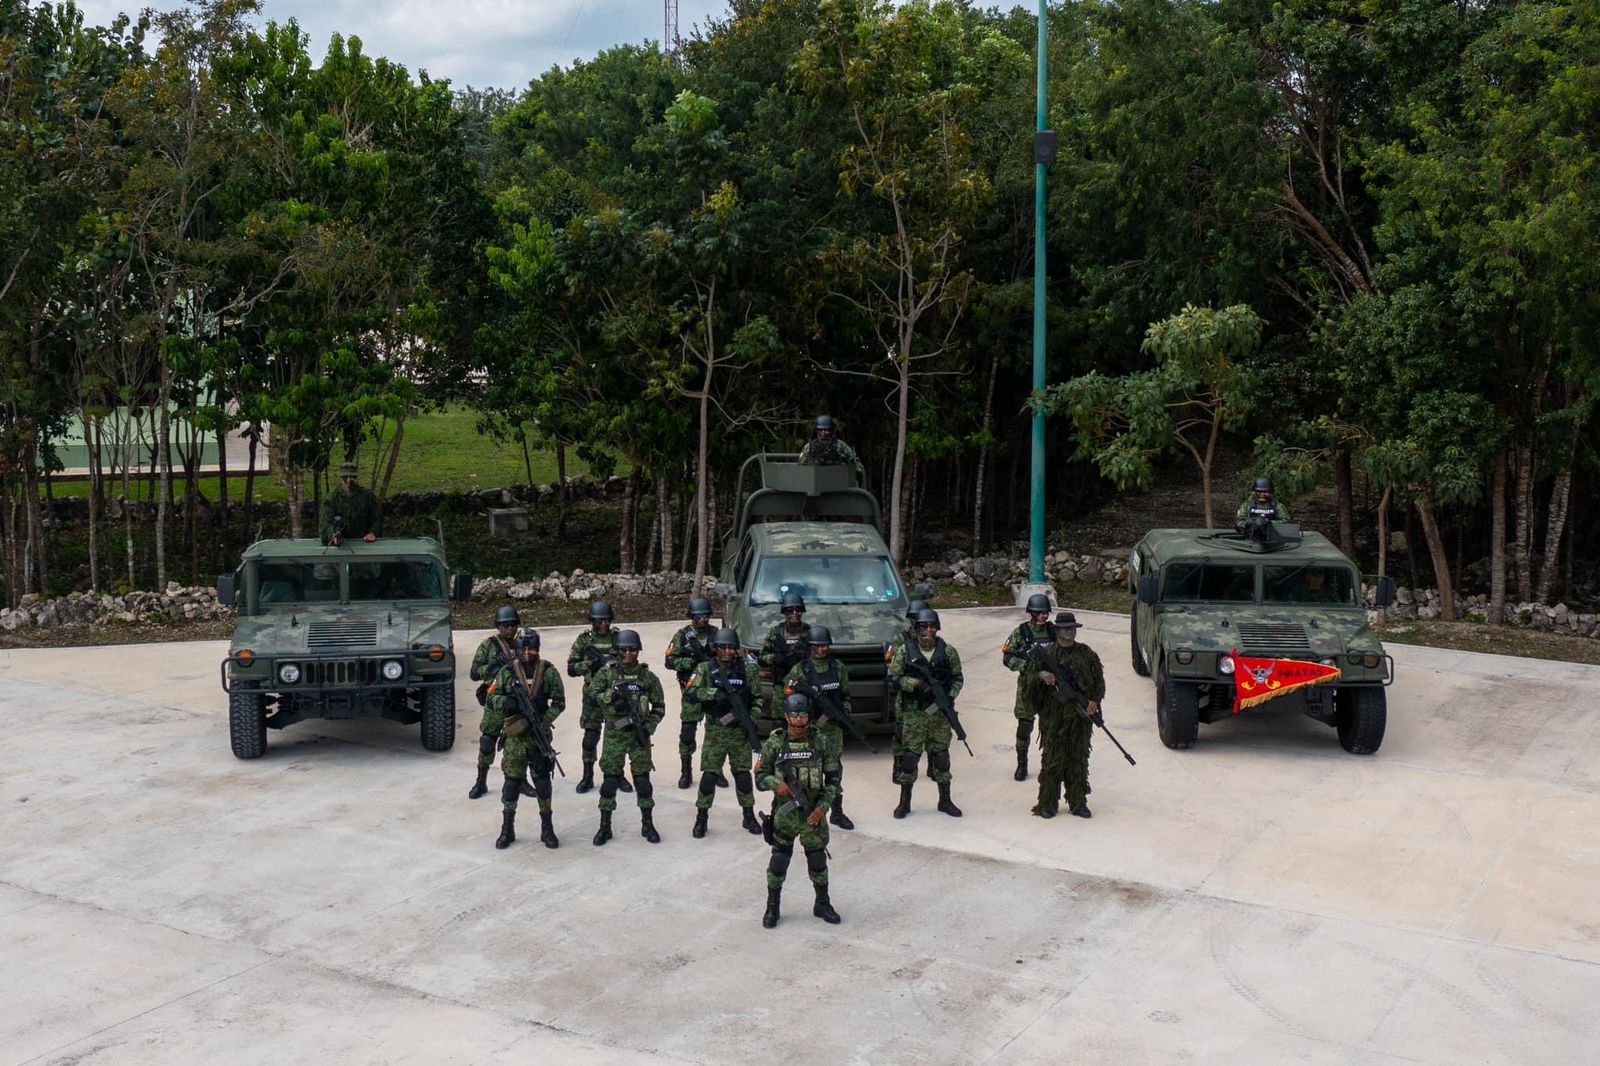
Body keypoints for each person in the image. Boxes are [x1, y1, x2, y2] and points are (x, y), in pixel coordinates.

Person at [756, 693, 843, 928]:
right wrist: (776, 784)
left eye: (803, 714)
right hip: (785, 815)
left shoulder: (821, 742)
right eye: (794, 715)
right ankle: (772, 907)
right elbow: (759, 776)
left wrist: (822, 809)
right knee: (779, 861)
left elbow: (834, 780)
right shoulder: (775, 743)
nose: (798, 720)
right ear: (786, 716)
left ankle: (822, 903)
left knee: (817, 860)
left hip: (812, 813)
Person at [486, 628, 565, 850]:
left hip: (538, 737)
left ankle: (547, 829)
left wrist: (543, 721)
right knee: (511, 784)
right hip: (515, 738)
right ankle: (507, 829)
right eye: (524, 649)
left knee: (542, 783)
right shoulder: (508, 672)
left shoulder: (547, 671)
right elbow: (491, 697)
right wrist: (507, 704)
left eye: (532, 649)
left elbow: (559, 702)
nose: (528, 653)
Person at [683, 629, 764, 839]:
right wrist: (713, 693)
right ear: (715, 648)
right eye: (723, 647)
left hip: (740, 733)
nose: (727, 652)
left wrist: (750, 719)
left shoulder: (747, 669)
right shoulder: (705, 668)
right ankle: (701, 817)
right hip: (716, 732)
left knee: (743, 776)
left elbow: (757, 698)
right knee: (709, 777)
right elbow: (690, 693)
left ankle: (748, 816)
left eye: (731, 648)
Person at [590, 630, 666, 846]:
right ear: (618, 650)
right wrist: (610, 696)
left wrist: (649, 727)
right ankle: (605, 826)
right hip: (615, 734)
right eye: (624, 650)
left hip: (638, 735)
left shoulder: (647, 677)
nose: (628, 654)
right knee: (610, 782)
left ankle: (647, 824)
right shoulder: (607, 673)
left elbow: (659, 706)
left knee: (643, 782)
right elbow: (592, 695)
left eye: (633, 649)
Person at [887, 608, 964, 818]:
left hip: (939, 714)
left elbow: (958, 678)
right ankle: (904, 802)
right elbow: (893, 678)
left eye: (932, 627)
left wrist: (948, 697)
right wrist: (916, 684)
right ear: (917, 628)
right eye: (924, 626)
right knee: (910, 759)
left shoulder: (948, 651)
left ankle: (945, 800)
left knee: (941, 757)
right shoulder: (905, 651)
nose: (928, 630)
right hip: (914, 714)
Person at [1029, 612, 1105, 820]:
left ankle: (1078, 802)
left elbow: (1098, 683)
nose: (1069, 631)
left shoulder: (1087, 654)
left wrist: (1094, 701)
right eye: (1065, 628)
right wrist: (1042, 676)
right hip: (1054, 718)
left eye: (1072, 627)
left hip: (1080, 719)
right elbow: (1030, 681)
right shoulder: (1047, 654)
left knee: (1078, 761)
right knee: (1053, 761)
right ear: (1056, 630)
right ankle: (1047, 803)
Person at [783, 625, 855, 831]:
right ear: (811, 646)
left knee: (834, 771)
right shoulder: (800, 670)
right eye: (818, 645)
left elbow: (846, 696)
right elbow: (787, 697)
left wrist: (843, 714)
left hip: (833, 731)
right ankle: (806, 809)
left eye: (825, 645)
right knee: (805, 770)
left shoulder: (838, 667)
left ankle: (837, 812)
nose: (823, 649)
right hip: (808, 729)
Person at [567, 600, 630, 795]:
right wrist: (589, 665)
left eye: (607, 620)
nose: (604, 624)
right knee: (590, 738)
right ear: (592, 621)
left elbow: (630, 661)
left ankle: (617, 774)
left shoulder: (619, 637)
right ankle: (588, 775)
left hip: (615, 695)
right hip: (592, 695)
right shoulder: (584, 640)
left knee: (618, 734)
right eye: (599, 621)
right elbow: (571, 668)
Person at [467, 605, 529, 800]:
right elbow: (474, 673)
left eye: (513, 624)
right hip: (495, 700)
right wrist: (493, 667)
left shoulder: (524, 642)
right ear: (498, 626)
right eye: (505, 625)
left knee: (519, 743)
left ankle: (521, 781)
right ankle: (481, 781)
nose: (510, 628)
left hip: (517, 699)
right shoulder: (489, 645)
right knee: (488, 741)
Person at [665, 596, 723, 789]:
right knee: (688, 732)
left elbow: (729, 655)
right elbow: (669, 661)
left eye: (706, 616)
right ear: (691, 617)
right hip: (692, 691)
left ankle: (715, 770)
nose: (702, 620)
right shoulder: (682, 636)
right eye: (698, 616)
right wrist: (689, 662)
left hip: (714, 689)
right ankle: (686, 771)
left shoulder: (716, 634)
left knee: (717, 732)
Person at [1001, 593, 1056, 781]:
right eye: (1039, 613)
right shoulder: (1021, 632)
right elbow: (1007, 657)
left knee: (1050, 727)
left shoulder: (1053, 631)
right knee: (1024, 726)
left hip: (1050, 688)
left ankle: (1049, 764)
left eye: (1045, 612)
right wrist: (1029, 668)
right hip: (1028, 687)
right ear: (1031, 613)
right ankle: (1022, 764)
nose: (1043, 616)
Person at [882, 598, 929, 783]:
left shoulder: (933, 641)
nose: (920, 624)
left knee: (932, 730)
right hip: (907, 696)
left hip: (928, 694)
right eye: (916, 619)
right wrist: (911, 683)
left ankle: (934, 765)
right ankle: (899, 767)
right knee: (901, 733)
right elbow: (892, 671)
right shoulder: (901, 640)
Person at [757, 592, 811, 718]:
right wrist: (774, 658)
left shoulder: (809, 632)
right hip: (781, 684)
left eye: (798, 610)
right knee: (779, 718)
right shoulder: (776, 632)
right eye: (790, 610)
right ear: (784, 612)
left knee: (804, 717)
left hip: (804, 683)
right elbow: (761, 658)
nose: (794, 613)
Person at [320, 462, 382, 545]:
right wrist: (333, 535)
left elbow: (377, 519)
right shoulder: (331, 499)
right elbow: (325, 524)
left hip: (364, 544)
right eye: (345, 477)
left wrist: (373, 533)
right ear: (341, 478)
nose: (348, 481)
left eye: (352, 477)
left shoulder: (367, 497)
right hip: (340, 546)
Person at [797, 415, 863, 477]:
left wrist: (858, 470)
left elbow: (855, 461)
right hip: (816, 480)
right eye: (820, 430)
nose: (823, 433)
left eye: (826, 430)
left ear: (831, 430)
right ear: (817, 431)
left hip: (835, 478)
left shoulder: (839, 445)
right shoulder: (810, 446)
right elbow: (800, 465)